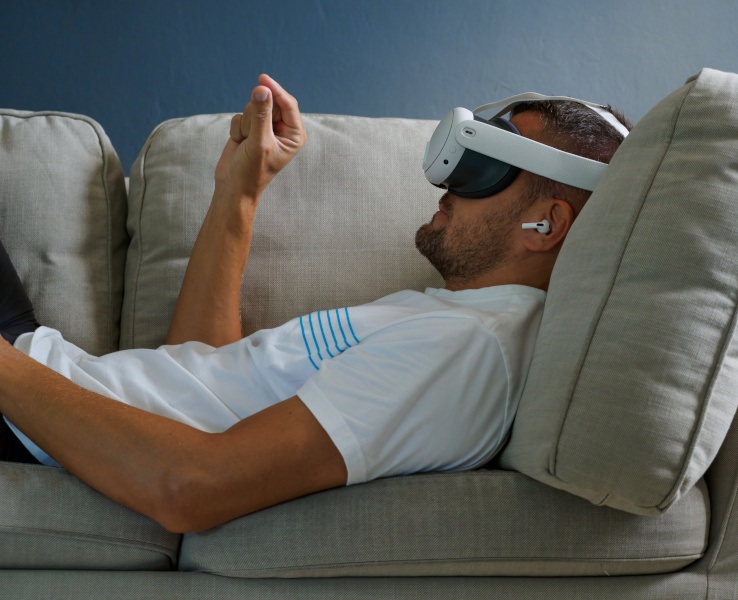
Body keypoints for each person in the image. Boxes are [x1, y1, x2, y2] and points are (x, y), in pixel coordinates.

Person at [0, 74, 630, 533]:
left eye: (483, 170)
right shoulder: (452, 324)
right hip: (33, 378)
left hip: (22, 413)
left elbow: (188, 487)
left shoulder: (464, 350)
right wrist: (238, 193)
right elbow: (200, 373)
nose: (445, 186)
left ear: (547, 224)